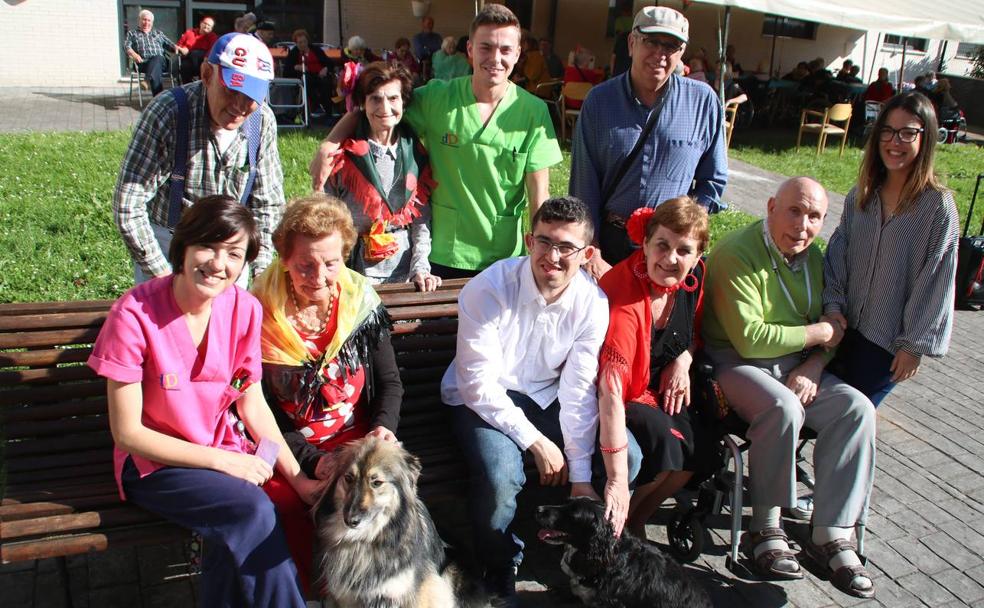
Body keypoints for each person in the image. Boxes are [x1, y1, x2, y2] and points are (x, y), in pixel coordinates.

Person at [88, 195, 321, 607]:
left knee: (251, 517)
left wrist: (299, 478)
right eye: (208, 247)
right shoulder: (134, 314)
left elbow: (252, 404)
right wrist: (222, 461)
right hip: (155, 466)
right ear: (183, 247)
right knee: (251, 510)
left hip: (222, 452)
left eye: (233, 253)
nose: (218, 263)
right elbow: (127, 434)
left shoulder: (244, 310)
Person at [441, 197, 639, 603]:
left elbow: (579, 390)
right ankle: (497, 568)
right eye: (544, 242)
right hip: (481, 398)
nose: (552, 256)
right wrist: (537, 441)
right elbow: (477, 384)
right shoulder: (490, 287)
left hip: (547, 395)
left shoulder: (592, 303)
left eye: (566, 247)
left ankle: (583, 556)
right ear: (529, 240)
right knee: (501, 477)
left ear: (586, 255)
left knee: (627, 457)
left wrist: (581, 477)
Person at [703, 177, 877, 599]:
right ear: (770, 207)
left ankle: (831, 531)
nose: (802, 225)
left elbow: (833, 337)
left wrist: (817, 363)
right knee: (783, 407)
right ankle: (765, 527)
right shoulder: (735, 255)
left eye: (814, 216)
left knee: (857, 408)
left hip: (798, 367)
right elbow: (750, 338)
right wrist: (819, 334)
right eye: (795, 211)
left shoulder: (813, 260)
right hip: (734, 365)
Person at [311, 4, 563, 279]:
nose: (495, 58)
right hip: (444, 251)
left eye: (505, 50)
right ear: (469, 50)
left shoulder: (534, 112)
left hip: (503, 253)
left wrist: (542, 253)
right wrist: (330, 143)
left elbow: (539, 195)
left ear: (517, 53)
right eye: (485, 47)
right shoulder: (437, 98)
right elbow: (379, 108)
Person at [252, 194, 403, 594]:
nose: (318, 275)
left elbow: (389, 383)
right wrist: (310, 461)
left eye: (331, 263)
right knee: (282, 506)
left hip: (356, 441)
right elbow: (261, 412)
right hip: (289, 445)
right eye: (305, 264)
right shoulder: (257, 314)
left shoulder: (361, 303)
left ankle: (374, 590)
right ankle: (305, 596)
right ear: (284, 258)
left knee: (384, 494)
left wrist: (384, 429)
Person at [114, 32, 283, 286]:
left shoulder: (261, 121)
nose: (240, 105)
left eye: (251, 96)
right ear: (206, 74)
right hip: (171, 245)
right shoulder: (168, 113)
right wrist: (162, 276)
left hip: (231, 248)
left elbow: (267, 204)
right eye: (232, 90)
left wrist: (260, 273)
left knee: (226, 325)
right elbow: (128, 205)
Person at [570, 5, 727, 276]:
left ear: (682, 53)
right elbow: (584, 185)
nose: (660, 54)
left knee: (664, 320)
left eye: (671, 46)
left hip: (671, 251)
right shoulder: (599, 101)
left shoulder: (704, 102)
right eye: (651, 41)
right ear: (632, 43)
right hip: (610, 244)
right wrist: (591, 250)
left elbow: (713, 181)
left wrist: (685, 232)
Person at [824, 92, 958, 407]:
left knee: (850, 417)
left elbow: (937, 280)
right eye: (887, 130)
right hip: (842, 329)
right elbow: (838, 256)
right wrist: (832, 306)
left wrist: (914, 346)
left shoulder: (937, 207)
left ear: (925, 138)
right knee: (821, 414)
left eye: (907, 132)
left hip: (885, 344)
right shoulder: (862, 196)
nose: (894, 142)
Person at [597, 197, 713, 537]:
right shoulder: (624, 294)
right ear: (645, 243)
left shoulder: (695, 280)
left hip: (661, 384)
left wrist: (684, 358)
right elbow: (611, 385)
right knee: (669, 441)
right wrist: (617, 478)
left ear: (698, 256)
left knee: (702, 446)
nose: (671, 259)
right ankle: (624, 524)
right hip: (620, 390)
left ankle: (636, 521)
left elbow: (694, 332)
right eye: (662, 245)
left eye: (684, 250)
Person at [324, 62, 440, 290]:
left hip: (404, 272)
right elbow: (327, 222)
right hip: (352, 274)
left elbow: (421, 221)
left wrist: (421, 267)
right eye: (375, 99)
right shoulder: (343, 159)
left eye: (393, 99)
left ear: (404, 102)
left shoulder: (416, 156)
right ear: (363, 104)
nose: (385, 108)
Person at [123, 9, 175, 96]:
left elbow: (171, 45)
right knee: (155, 71)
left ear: (152, 22)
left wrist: (180, 48)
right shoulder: (132, 33)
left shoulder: (158, 33)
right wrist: (134, 54)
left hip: (161, 62)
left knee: (157, 58)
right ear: (139, 20)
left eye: (149, 20)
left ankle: (146, 80)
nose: (146, 22)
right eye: (144, 19)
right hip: (143, 63)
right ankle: (159, 100)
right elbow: (126, 46)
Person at [284, 29, 333, 116]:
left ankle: (328, 112)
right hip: (306, 77)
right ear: (296, 43)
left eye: (304, 41)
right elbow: (286, 71)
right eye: (300, 42)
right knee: (308, 82)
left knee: (327, 83)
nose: (302, 44)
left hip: (320, 75)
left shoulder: (316, 50)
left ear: (307, 41)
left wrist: (326, 69)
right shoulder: (294, 53)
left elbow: (329, 63)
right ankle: (317, 106)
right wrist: (295, 67)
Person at [174, 15, 217, 84]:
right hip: (189, 60)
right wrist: (182, 49)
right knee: (184, 66)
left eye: (209, 25)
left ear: (211, 28)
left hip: (203, 61)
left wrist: (206, 57)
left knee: (195, 53)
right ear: (201, 23)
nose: (206, 26)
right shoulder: (189, 33)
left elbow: (212, 49)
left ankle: (200, 82)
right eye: (205, 23)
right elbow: (179, 45)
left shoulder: (212, 36)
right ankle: (188, 87)